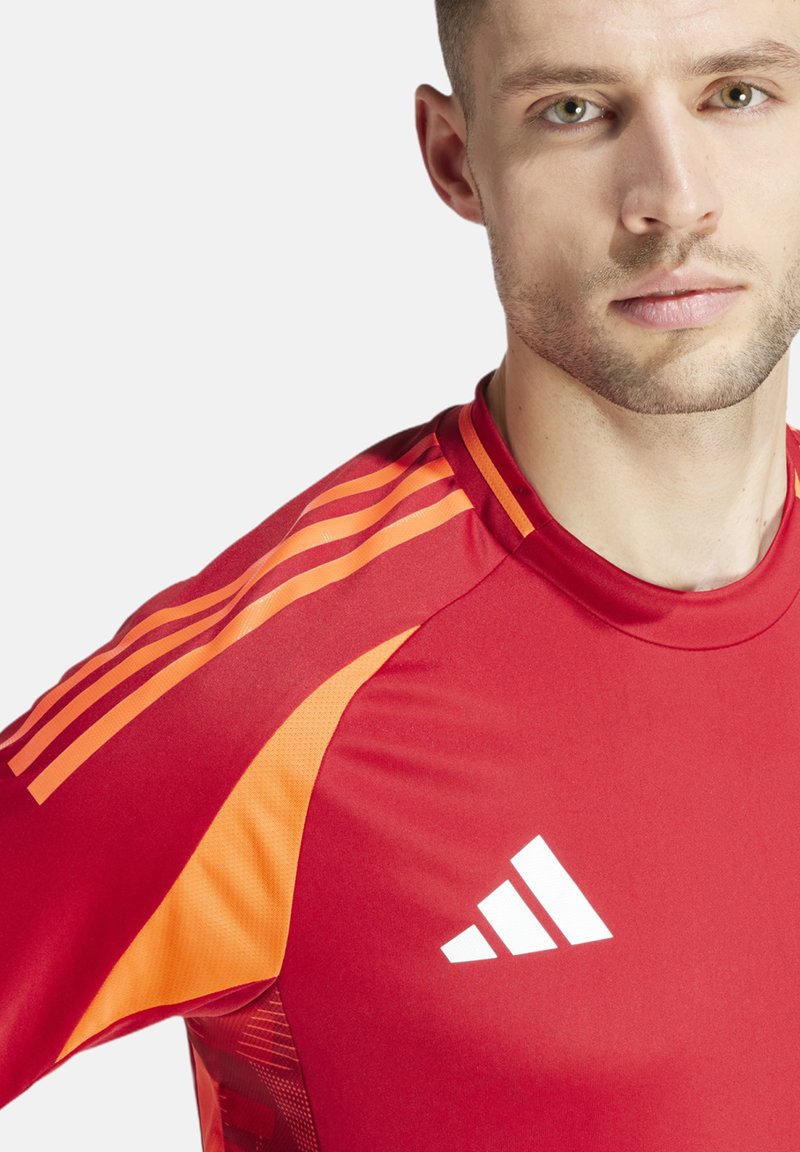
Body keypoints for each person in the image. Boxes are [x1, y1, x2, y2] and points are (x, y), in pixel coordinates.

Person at [3, 0, 800, 1146]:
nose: (672, 198)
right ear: (455, 158)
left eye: (735, 94)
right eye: (573, 110)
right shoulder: (272, 700)